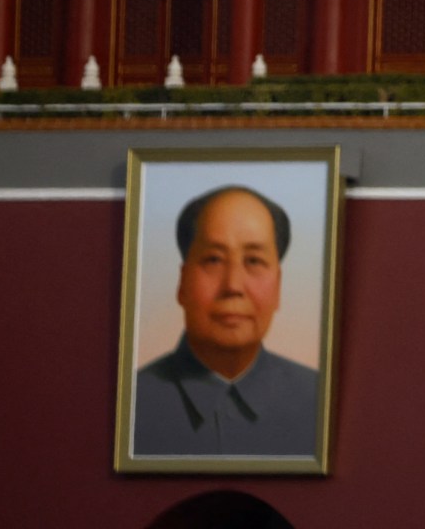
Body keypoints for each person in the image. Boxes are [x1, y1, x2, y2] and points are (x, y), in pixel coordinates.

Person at [133, 185, 319, 457]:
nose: (233, 285)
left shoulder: (318, 401)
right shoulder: (131, 404)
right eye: (213, 259)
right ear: (182, 282)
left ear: (278, 285)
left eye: (254, 261)